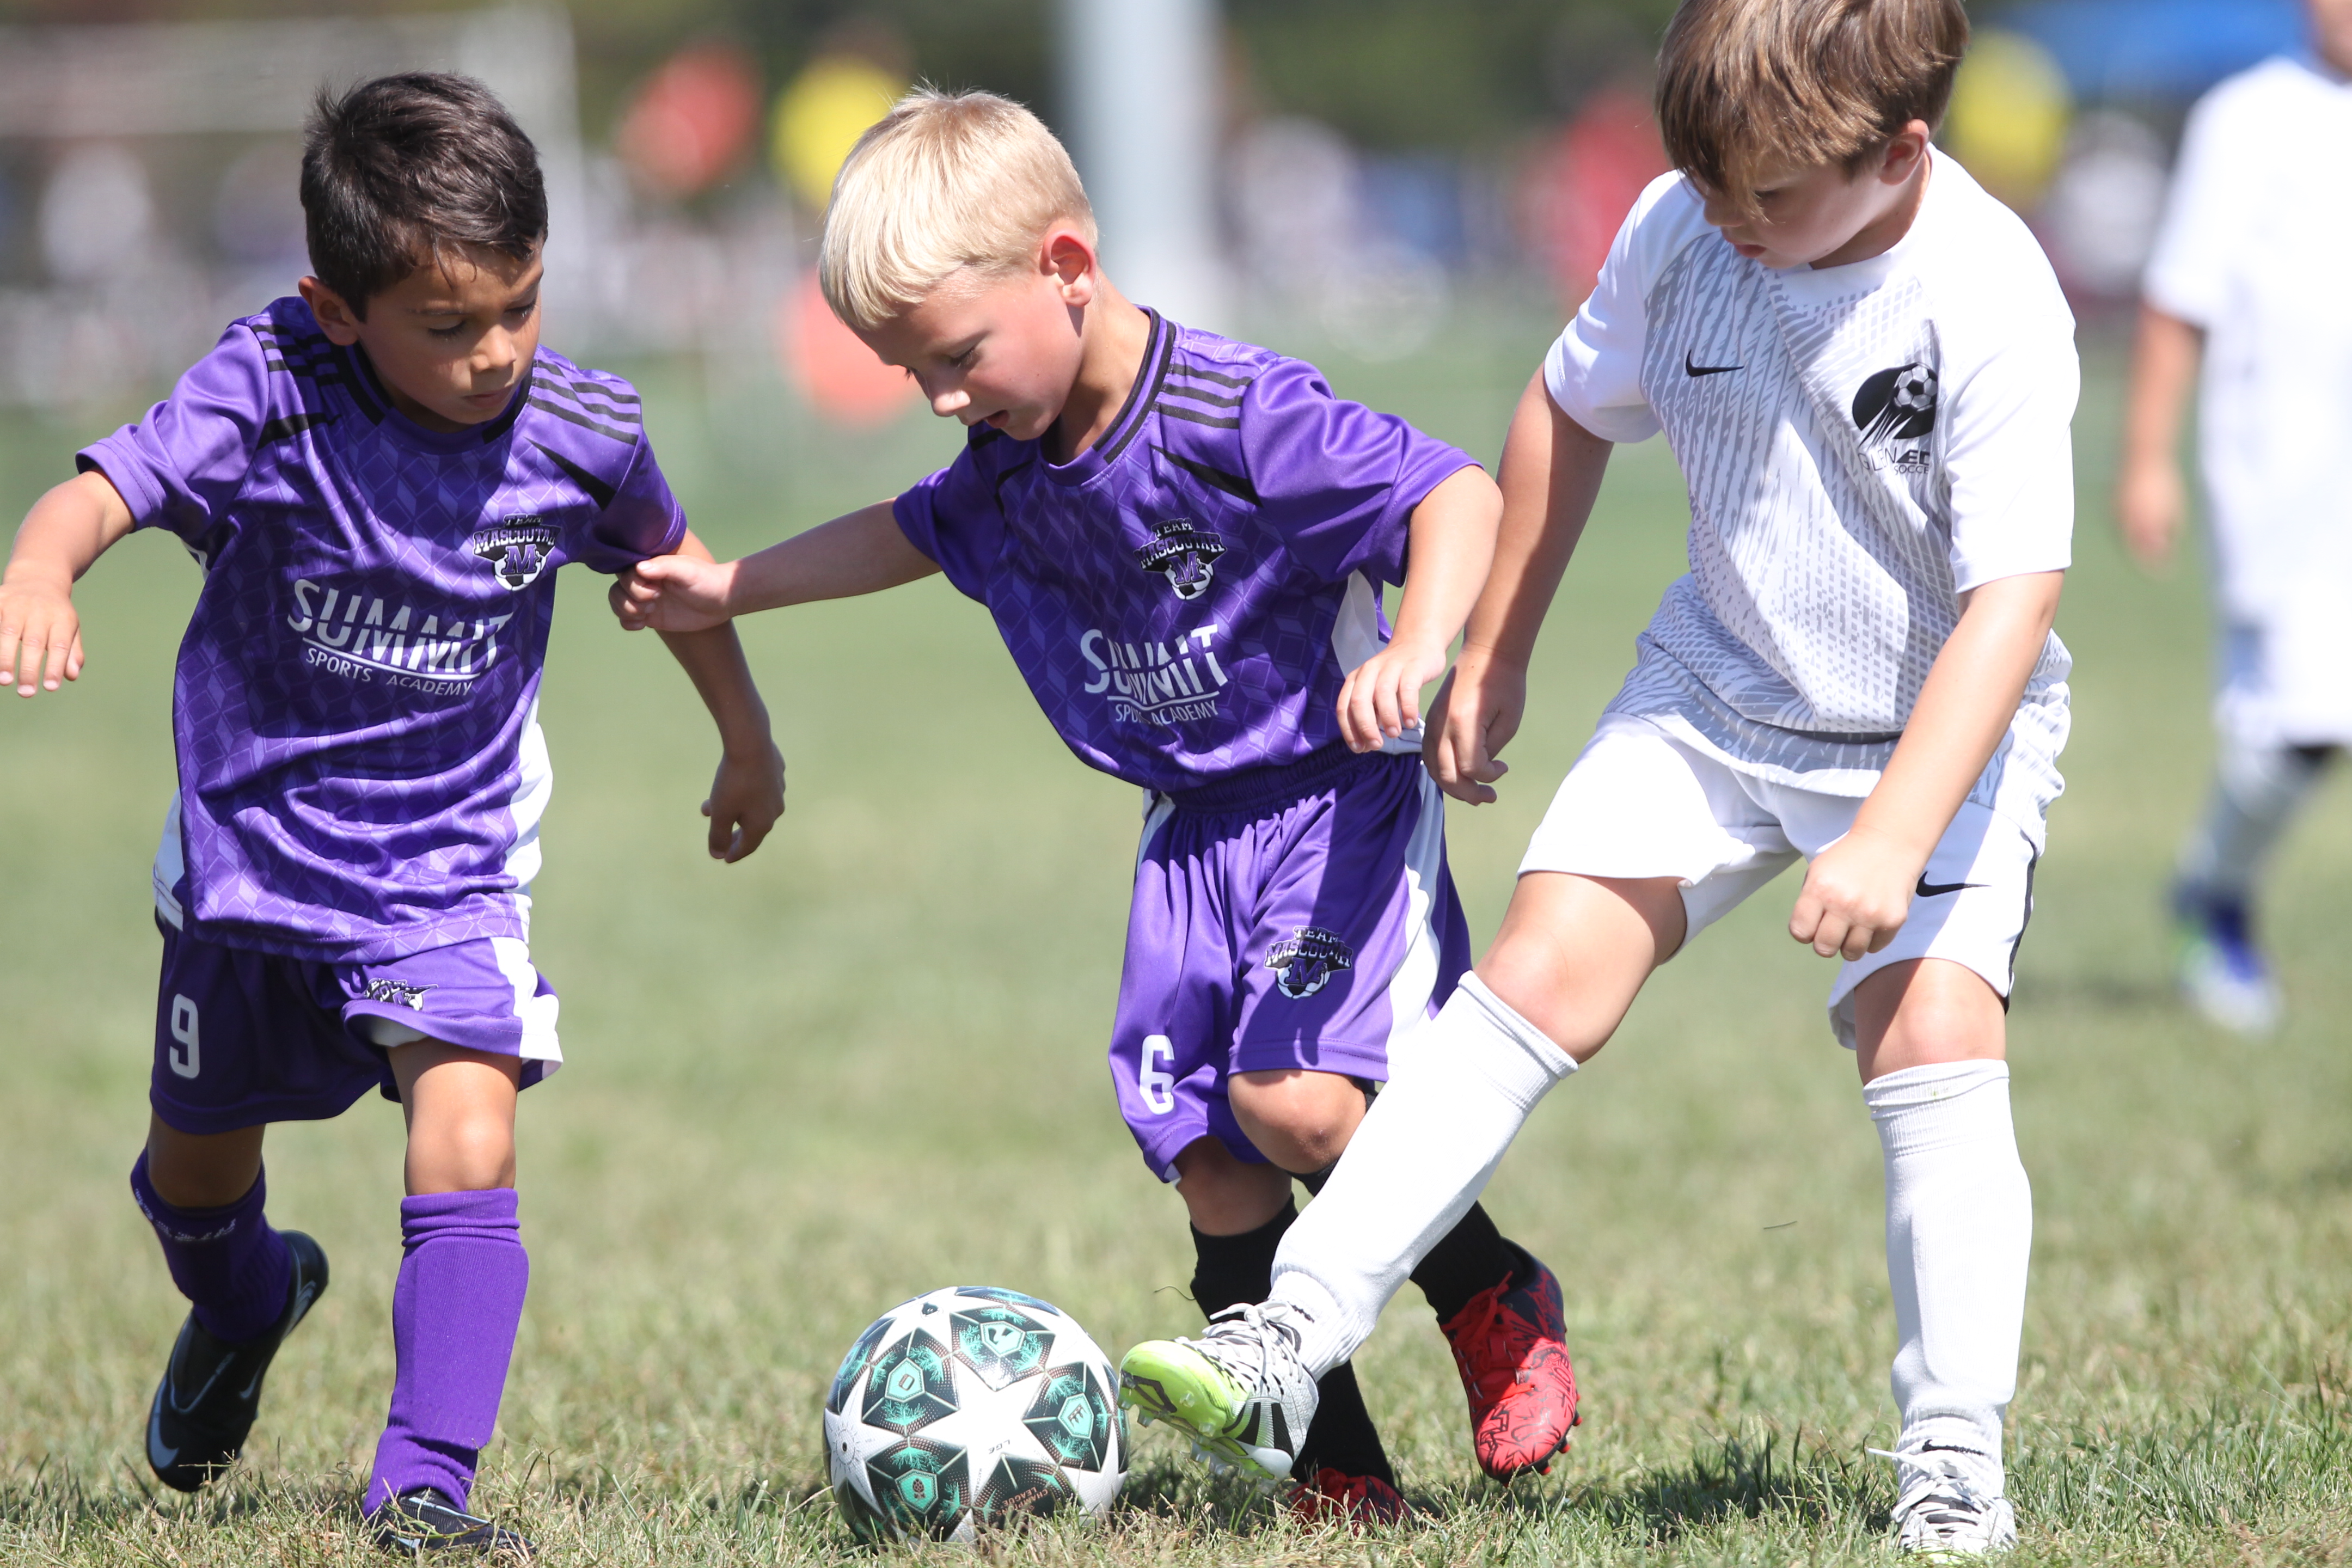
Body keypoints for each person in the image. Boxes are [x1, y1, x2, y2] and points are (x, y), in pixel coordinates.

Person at [1120, 0, 2074, 1553]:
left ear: (1902, 152)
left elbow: (2011, 603)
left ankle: (1955, 1461)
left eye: (1768, 194)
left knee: (1933, 1042)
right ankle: (1292, 1332)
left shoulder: (1989, 293)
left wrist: (1897, 832)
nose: (1728, 218)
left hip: (1933, 728)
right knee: (1534, 978)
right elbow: (1564, 410)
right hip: (1718, 690)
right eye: (1703, 180)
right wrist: (1494, 650)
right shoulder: (1683, 224)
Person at [611, 88, 1579, 1523]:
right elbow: (906, 531)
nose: (944, 401)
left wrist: (1422, 647)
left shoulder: (1236, 413)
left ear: (1066, 266)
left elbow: (1455, 496)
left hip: (1332, 802)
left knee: (1297, 1106)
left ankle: (1493, 1291)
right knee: (1210, 1156)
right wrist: (730, 586)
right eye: (911, 373)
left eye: (955, 358)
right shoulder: (1007, 465)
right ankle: (1339, 1480)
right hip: (1187, 829)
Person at [0, 74, 783, 1555]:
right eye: (449, 325)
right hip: (251, 866)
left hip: (450, 864)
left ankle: (424, 1483)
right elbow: (102, 490)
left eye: (522, 307)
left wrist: (747, 739)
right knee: (196, 1182)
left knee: (470, 1129)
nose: (496, 354)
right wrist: (42, 572)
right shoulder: (269, 385)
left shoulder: (584, 430)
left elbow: (674, 571)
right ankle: (253, 1299)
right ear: (340, 309)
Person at [2116, 0, 2352, 1036]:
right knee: (2299, 727)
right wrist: (2147, 461)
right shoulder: (2247, 119)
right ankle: (2213, 894)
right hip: (2286, 489)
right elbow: (2180, 300)